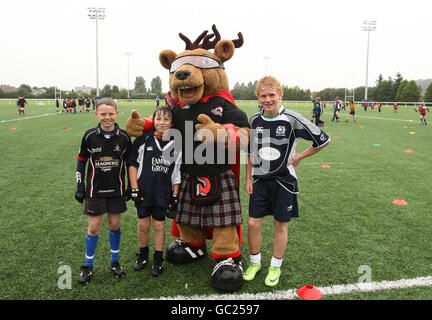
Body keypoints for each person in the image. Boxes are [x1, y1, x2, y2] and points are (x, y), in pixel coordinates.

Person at [244, 76, 330, 287]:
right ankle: (255, 262)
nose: (268, 99)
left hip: (284, 181)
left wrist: (300, 157)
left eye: (272, 95)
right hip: (260, 181)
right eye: (263, 96)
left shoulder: (292, 119)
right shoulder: (254, 119)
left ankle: (275, 266)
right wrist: (247, 178)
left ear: (280, 95)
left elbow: (323, 139)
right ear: (258, 98)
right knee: (253, 223)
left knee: (279, 224)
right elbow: (249, 153)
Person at [75, 97, 132, 284]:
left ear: (116, 113)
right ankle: (88, 265)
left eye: (110, 113)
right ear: (96, 114)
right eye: (103, 114)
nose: (107, 117)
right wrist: (80, 186)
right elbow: (81, 162)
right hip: (94, 191)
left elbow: (130, 163)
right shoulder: (89, 136)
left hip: (116, 191)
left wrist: (132, 186)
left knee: (114, 226)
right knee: (93, 228)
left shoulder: (123, 137)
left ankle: (114, 262)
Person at [128, 106, 181, 276]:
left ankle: (158, 259)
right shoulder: (144, 140)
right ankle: (143, 255)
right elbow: (133, 165)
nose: (162, 122)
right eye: (158, 119)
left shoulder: (177, 145)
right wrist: (134, 188)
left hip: (162, 193)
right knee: (143, 225)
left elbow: (177, 172)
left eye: (166, 119)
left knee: (159, 226)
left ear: (171, 122)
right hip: (144, 191)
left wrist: (175, 194)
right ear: (153, 120)